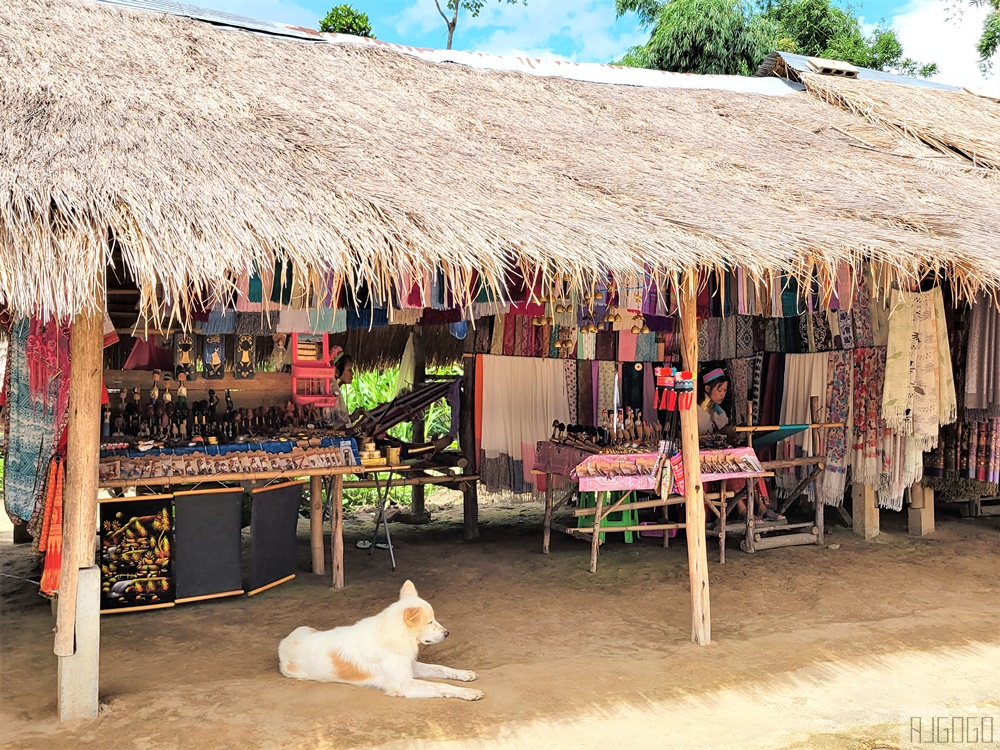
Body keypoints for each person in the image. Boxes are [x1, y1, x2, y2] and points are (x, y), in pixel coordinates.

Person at [698, 367, 784, 523]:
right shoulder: (694, 410)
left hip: (721, 452)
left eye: (725, 390)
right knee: (728, 462)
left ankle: (761, 506)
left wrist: (734, 431)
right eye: (720, 390)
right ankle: (742, 509)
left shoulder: (719, 412)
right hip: (704, 455)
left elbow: (724, 430)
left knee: (749, 458)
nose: (723, 394)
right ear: (707, 388)